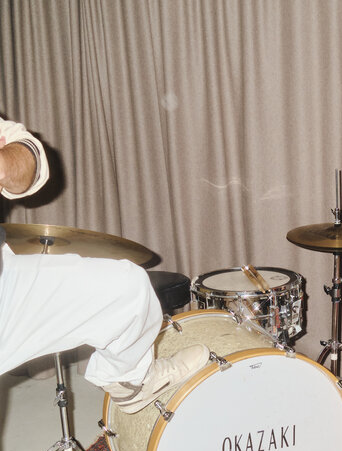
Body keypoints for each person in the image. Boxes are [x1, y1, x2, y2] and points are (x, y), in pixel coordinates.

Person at [0, 116, 209, 413]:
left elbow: (29, 166)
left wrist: (6, 162)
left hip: (6, 280)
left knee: (127, 287)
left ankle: (129, 382)